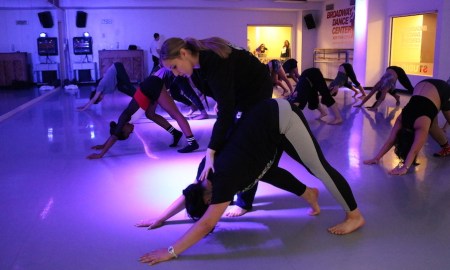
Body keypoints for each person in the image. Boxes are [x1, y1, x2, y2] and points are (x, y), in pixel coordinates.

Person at [136, 99, 365, 266]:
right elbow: (188, 196)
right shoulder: (203, 177)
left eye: (211, 204)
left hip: (282, 117)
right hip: (263, 131)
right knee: (261, 172)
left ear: (209, 199)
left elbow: (205, 224)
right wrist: (161, 218)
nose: (214, 206)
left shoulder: (221, 181)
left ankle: (355, 216)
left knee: (318, 167)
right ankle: (308, 194)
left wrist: (170, 251)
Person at [159, 36, 273, 216]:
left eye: (174, 66)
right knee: (226, 137)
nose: (175, 73)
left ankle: (244, 202)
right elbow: (223, 96)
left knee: (244, 139)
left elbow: (226, 110)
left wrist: (211, 150)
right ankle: (225, 188)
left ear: (183, 53)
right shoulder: (195, 70)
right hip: (240, 92)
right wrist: (223, 100)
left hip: (256, 89)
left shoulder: (213, 61)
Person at [86, 68, 200, 159]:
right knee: (150, 114)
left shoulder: (124, 118)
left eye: (128, 133)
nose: (131, 132)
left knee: (175, 114)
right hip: (148, 92)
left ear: (123, 128)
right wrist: (103, 145)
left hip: (152, 86)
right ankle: (175, 133)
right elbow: (115, 133)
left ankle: (192, 142)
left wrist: (101, 154)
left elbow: (115, 135)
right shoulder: (124, 122)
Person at [363, 79, 450, 175]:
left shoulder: (420, 125)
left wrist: (405, 167)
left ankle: (446, 147)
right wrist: (376, 158)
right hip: (423, 86)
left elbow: (414, 150)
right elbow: (391, 140)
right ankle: (446, 147)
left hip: (442, 90)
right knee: (432, 125)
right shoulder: (401, 119)